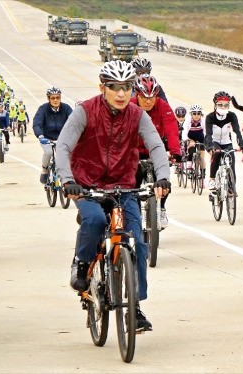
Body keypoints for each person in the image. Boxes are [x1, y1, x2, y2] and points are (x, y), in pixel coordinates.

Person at [56, 60, 171, 331]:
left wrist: (163, 176)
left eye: (126, 87)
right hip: (86, 185)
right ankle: (82, 265)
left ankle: (136, 307)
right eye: (114, 87)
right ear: (102, 87)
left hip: (123, 185)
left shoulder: (137, 115)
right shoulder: (85, 111)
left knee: (138, 244)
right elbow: (63, 147)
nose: (121, 94)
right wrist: (68, 180)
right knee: (95, 221)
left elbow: (155, 145)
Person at [130, 75, 181, 228]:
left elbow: (172, 128)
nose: (148, 102)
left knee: (164, 178)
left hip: (155, 149)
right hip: (135, 150)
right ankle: (134, 216)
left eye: (152, 98)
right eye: (144, 98)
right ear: (137, 95)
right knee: (133, 183)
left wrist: (175, 151)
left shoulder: (163, 106)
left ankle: (162, 208)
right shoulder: (129, 106)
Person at [205, 91, 243, 190]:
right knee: (217, 154)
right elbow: (208, 134)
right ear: (215, 105)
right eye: (220, 105)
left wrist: (242, 145)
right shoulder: (210, 117)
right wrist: (210, 146)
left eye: (226, 105)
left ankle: (232, 189)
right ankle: (212, 179)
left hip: (226, 142)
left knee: (231, 164)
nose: (223, 107)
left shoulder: (232, 116)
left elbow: (237, 132)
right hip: (213, 141)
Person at [33, 87, 73, 184]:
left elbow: (74, 121)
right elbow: (36, 124)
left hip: (62, 139)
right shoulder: (43, 109)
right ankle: (44, 170)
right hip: (46, 138)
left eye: (58, 97)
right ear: (48, 99)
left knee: (67, 155)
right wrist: (40, 136)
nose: (55, 100)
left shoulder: (66, 108)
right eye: (53, 98)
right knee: (48, 152)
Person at [181, 104, 207, 182]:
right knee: (191, 148)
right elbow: (184, 132)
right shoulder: (188, 121)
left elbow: (206, 132)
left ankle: (202, 178)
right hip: (190, 137)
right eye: (194, 113)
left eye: (198, 113)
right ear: (191, 114)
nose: (196, 115)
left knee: (202, 158)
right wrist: (187, 140)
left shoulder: (203, 121)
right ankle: (189, 163)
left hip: (200, 138)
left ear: (201, 114)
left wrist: (206, 141)